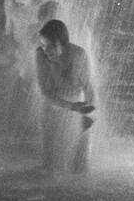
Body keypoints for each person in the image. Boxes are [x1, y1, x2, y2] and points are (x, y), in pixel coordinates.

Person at [35, 19, 95, 175]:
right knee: (51, 166)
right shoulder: (41, 56)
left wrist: (89, 113)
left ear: (63, 43)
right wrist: (72, 107)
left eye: (50, 45)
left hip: (78, 110)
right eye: (43, 44)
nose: (46, 50)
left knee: (80, 166)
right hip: (52, 109)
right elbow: (45, 92)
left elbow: (88, 87)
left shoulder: (78, 54)